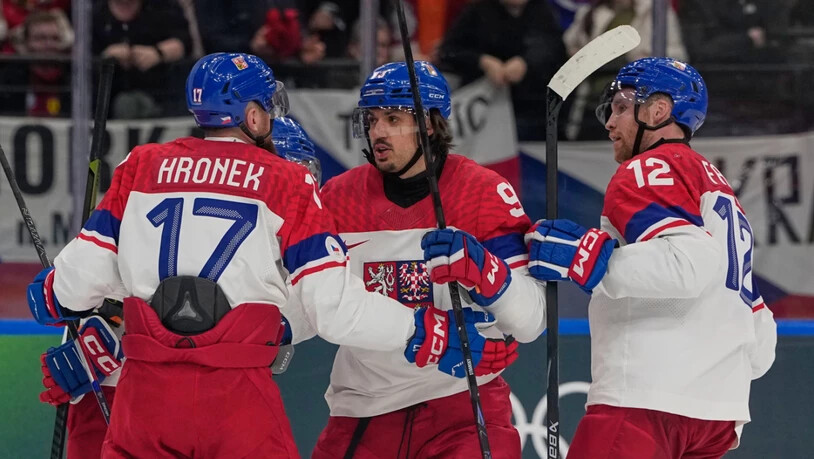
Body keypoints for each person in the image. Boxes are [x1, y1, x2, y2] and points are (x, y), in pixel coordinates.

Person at [26, 52, 498, 458]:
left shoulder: (142, 164)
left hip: (144, 396)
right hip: (234, 397)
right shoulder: (283, 182)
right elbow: (334, 309)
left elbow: (68, 289)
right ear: (253, 118)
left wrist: (77, 313)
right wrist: (422, 330)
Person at [526, 57, 777, 458]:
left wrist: (589, 260)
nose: (610, 122)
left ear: (658, 110)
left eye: (622, 107)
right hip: (717, 418)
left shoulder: (649, 167)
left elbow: (688, 266)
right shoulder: (719, 187)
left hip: (645, 403)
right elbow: (762, 344)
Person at [311, 61, 547, 458]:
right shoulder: (336, 198)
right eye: (371, 119)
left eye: (393, 118)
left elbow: (531, 322)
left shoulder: (484, 192)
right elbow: (312, 309)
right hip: (364, 408)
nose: (378, 131)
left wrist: (487, 272)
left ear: (431, 125)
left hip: (462, 406)